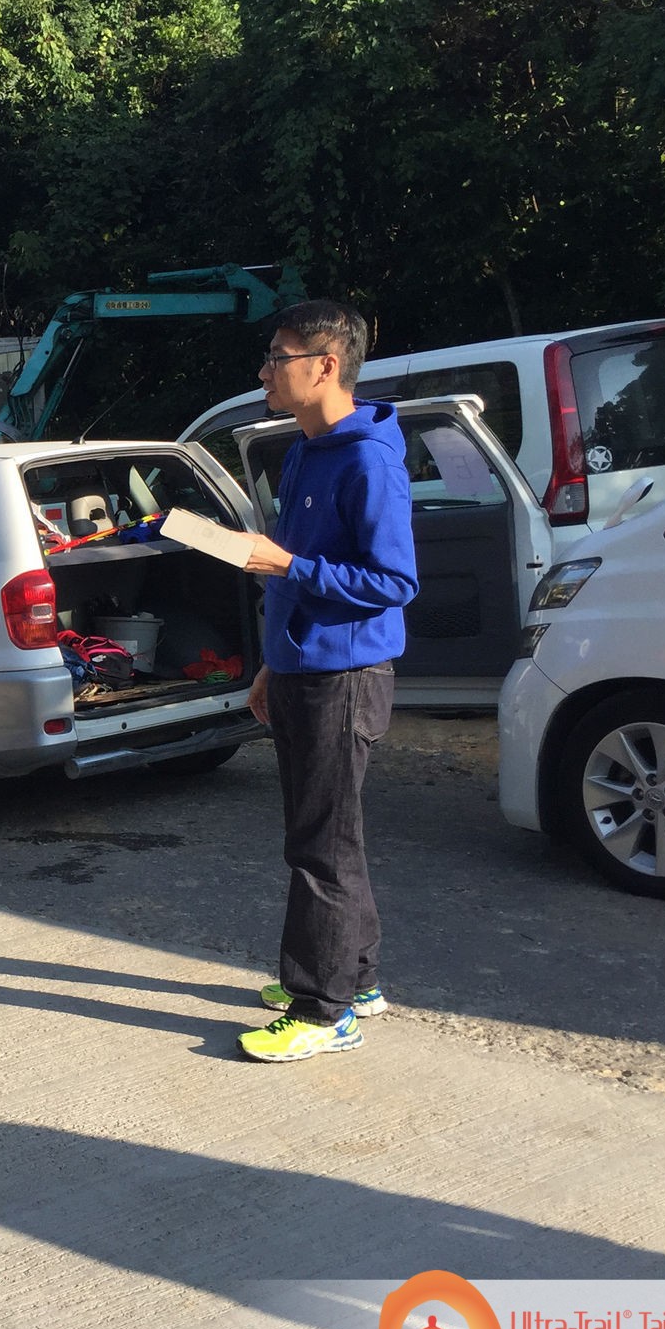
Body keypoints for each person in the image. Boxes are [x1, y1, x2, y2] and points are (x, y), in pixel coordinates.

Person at [237, 300, 417, 1063]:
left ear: (326, 365)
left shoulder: (369, 460)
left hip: (344, 678)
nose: (265, 372)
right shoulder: (305, 451)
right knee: (332, 836)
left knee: (322, 847)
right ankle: (357, 979)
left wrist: (287, 565)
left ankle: (323, 1009)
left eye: (277, 357)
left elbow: (394, 580)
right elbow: (296, 569)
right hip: (301, 668)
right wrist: (272, 661)